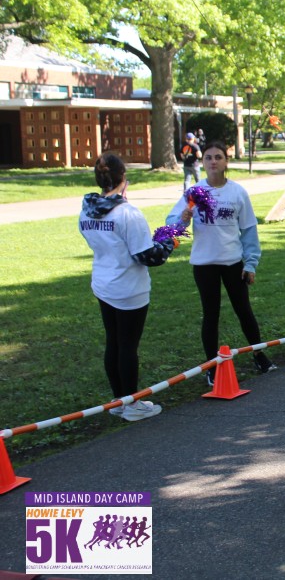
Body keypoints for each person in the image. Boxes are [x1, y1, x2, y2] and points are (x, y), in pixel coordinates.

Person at [166, 141, 276, 385]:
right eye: (208, 157)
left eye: (218, 157)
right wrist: (182, 218)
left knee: (244, 310)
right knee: (211, 314)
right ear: (202, 162)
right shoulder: (194, 192)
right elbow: (172, 224)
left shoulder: (237, 192)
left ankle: (259, 355)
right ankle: (212, 368)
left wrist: (251, 264)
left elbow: (249, 230)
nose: (213, 161)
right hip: (204, 264)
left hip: (233, 262)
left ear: (226, 162)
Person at [79, 153, 174, 422]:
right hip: (129, 288)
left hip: (103, 282)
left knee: (114, 341)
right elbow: (147, 256)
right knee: (128, 345)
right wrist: (168, 243)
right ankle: (131, 403)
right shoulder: (127, 213)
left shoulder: (86, 210)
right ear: (124, 179)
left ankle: (118, 400)